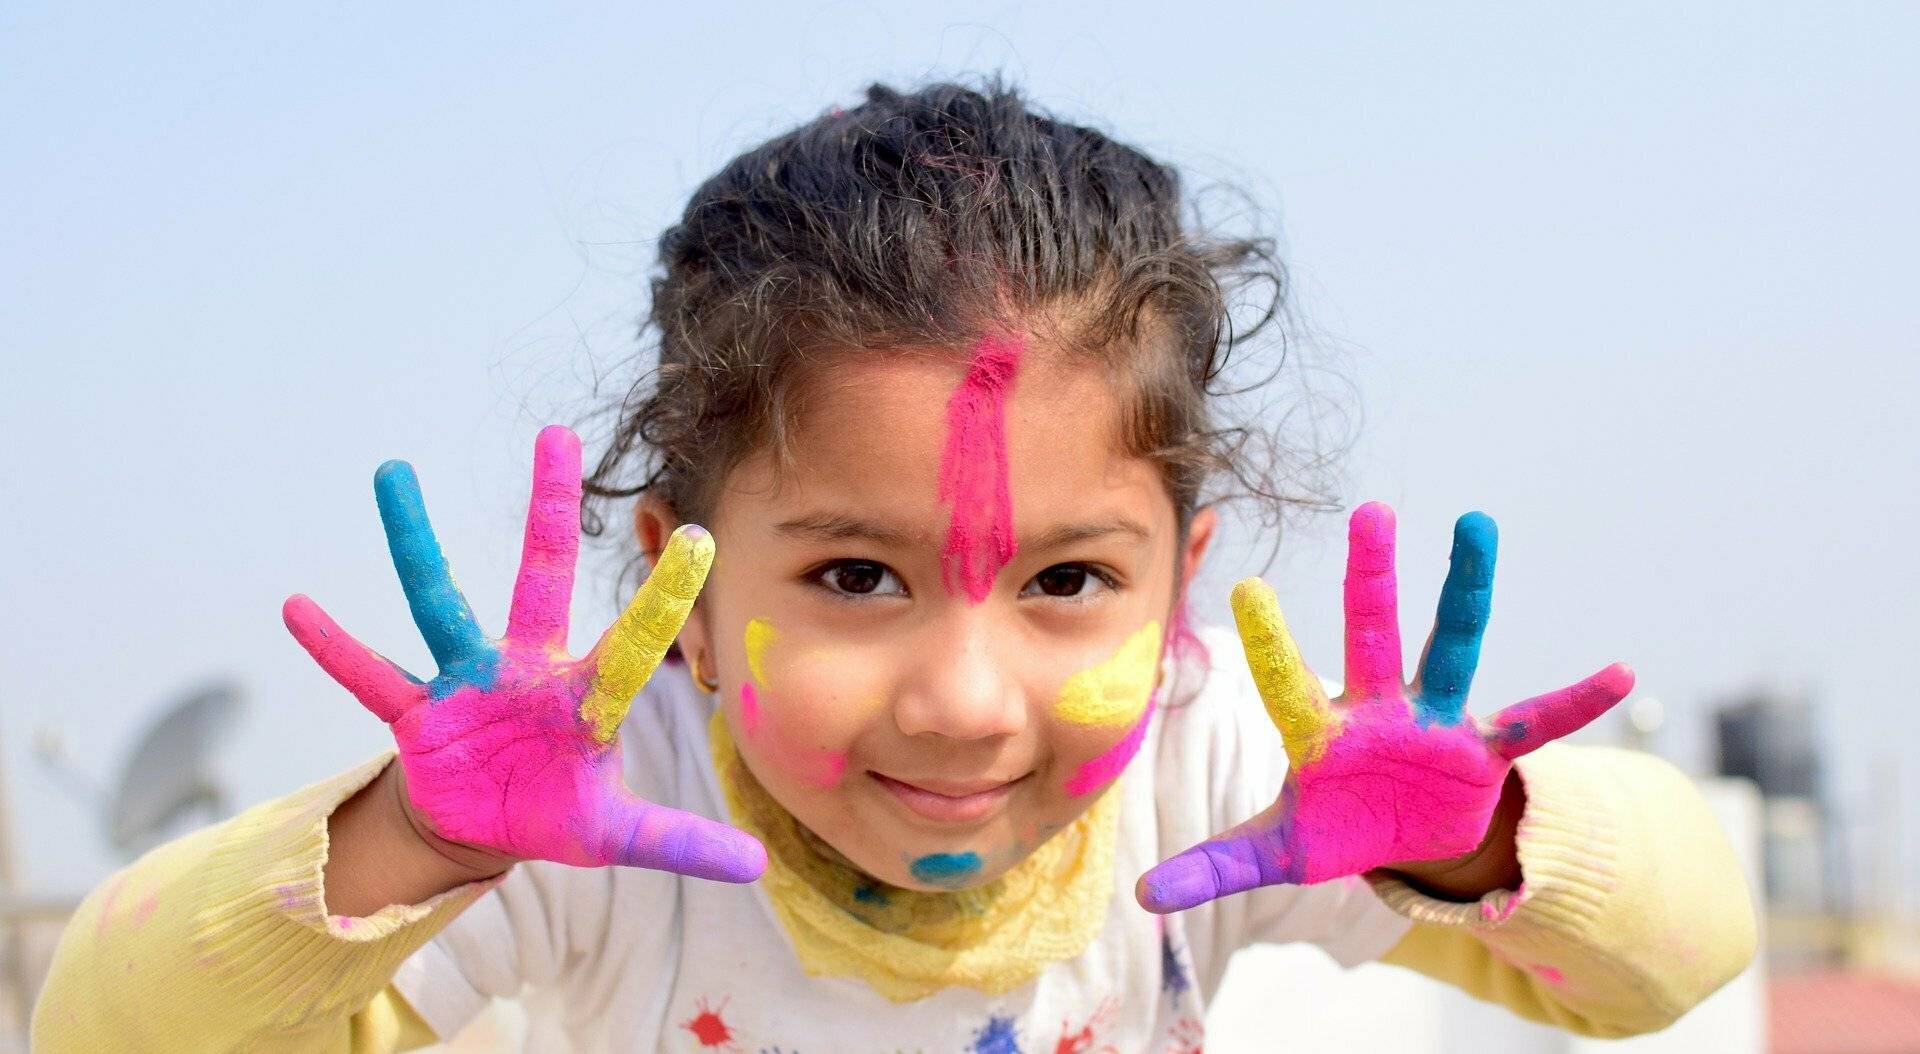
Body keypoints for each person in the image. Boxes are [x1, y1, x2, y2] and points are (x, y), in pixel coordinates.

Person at [32, 80, 1755, 1052]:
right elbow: (103, 1031)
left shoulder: (1221, 771)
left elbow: (1682, 955)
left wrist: (1476, 841)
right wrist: (417, 839)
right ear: (684, 593)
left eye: (1071, 582)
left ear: (1182, 585)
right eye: (856, 577)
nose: (963, 695)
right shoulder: (603, 812)